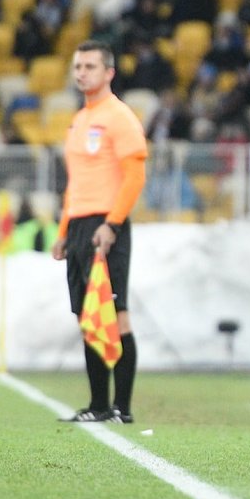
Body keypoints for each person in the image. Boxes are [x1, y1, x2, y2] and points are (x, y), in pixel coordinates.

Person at [52, 40, 149, 423]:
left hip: (106, 226)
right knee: (87, 317)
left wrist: (113, 224)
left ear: (109, 72)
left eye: (90, 66)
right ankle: (98, 406)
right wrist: (63, 229)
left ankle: (120, 407)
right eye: (78, 66)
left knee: (116, 314)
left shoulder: (119, 117)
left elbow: (135, 176)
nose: (82, 73)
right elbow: (75, 183)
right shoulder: (79, 121)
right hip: (79, 226)